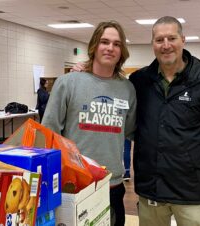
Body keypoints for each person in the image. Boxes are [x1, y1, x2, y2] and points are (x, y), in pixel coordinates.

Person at [129, 16, 200, 226]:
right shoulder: (139, 81)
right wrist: (86, 69)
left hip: (192, 193)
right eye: (159, 40)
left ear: (183, 40)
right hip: (151, 189)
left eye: (172, 38)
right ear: (152, 44)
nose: (166, 45)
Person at [42, 21, 137, 226]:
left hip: (111, 184)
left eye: (116, 44)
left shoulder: (128, 89)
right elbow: (48, 134)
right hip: (73, 185)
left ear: (122, 51)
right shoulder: (68, 83)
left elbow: (129, 131)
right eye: (104, 42)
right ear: (94, 46)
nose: (110, 48)